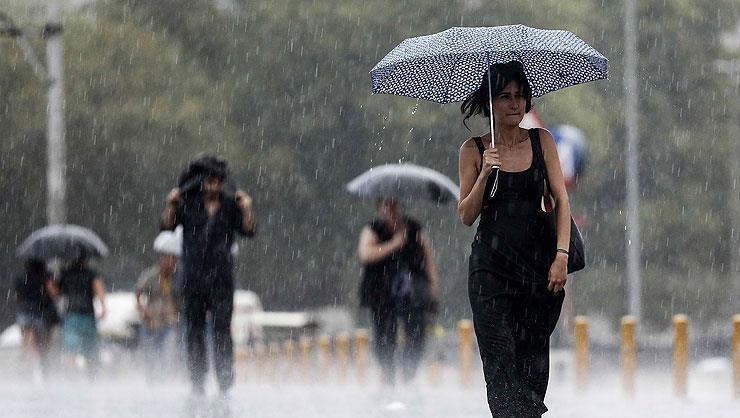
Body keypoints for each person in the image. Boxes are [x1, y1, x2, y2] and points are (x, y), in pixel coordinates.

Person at [457, 61, 568, 417]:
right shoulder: (473, 150)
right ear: (489, 102)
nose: (514, 104)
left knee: (534, 364)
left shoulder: (542, 141)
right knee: (501, 361)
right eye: (505, 96)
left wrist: (561, 255)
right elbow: (466, 215)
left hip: (536, 270)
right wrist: (485, 172)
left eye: (520, 96)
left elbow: (562, 200)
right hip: (490, 271)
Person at [161, 155, 255, 395]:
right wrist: (171, 204)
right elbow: (166, 226)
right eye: (210, 181)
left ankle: (225, 380)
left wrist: (247, 210)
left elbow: (249, 230)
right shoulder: (186, 203)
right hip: (193, 277)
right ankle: (197, 380)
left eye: (218, 181)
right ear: (202, 181)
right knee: (194, 330)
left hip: (222, 278)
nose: (214, 186)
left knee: (222, 329)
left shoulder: (231, 205)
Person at [357, 197, 440, 386]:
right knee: (384, 334)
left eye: (395, 203)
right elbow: (365, 254)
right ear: (379, 207)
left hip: (413, 292)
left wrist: (432, 286)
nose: (391, 209)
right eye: (387, 204)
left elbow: (428, 258)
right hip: (381, 292)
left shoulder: (413, 228)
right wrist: (393, 244)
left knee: (416, 332)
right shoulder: (372, 229)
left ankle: (409, 375)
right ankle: (388, 376)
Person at [135, 229, 182, 380]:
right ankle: (152, 382)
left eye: (173, 258)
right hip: (151, 322)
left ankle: (165, 381)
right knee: (150, 357)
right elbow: (138, 292)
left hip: (170, 322)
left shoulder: (180, 278)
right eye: (167, 258)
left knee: (167, 355)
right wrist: (142, 309)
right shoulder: (151, 275)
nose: (169, 262)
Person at [55, 257, 107, 374]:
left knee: (71, 350)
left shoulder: (65, 273)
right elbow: (98, 288)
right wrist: (103, 306)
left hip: (72, 316)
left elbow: (56, 292)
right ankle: (92, 376)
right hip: (88, 315)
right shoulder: (91, 273)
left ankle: (71, 377)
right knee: (90, 350)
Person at [14, 258, 60, 380]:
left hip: (24, 312)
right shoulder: (47, 277)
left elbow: (17, 296)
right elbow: (54, 294)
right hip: (43, 312)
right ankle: (44, 371)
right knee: (44, 346)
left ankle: (27, 372)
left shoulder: (21, 278)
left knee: (28, 344)